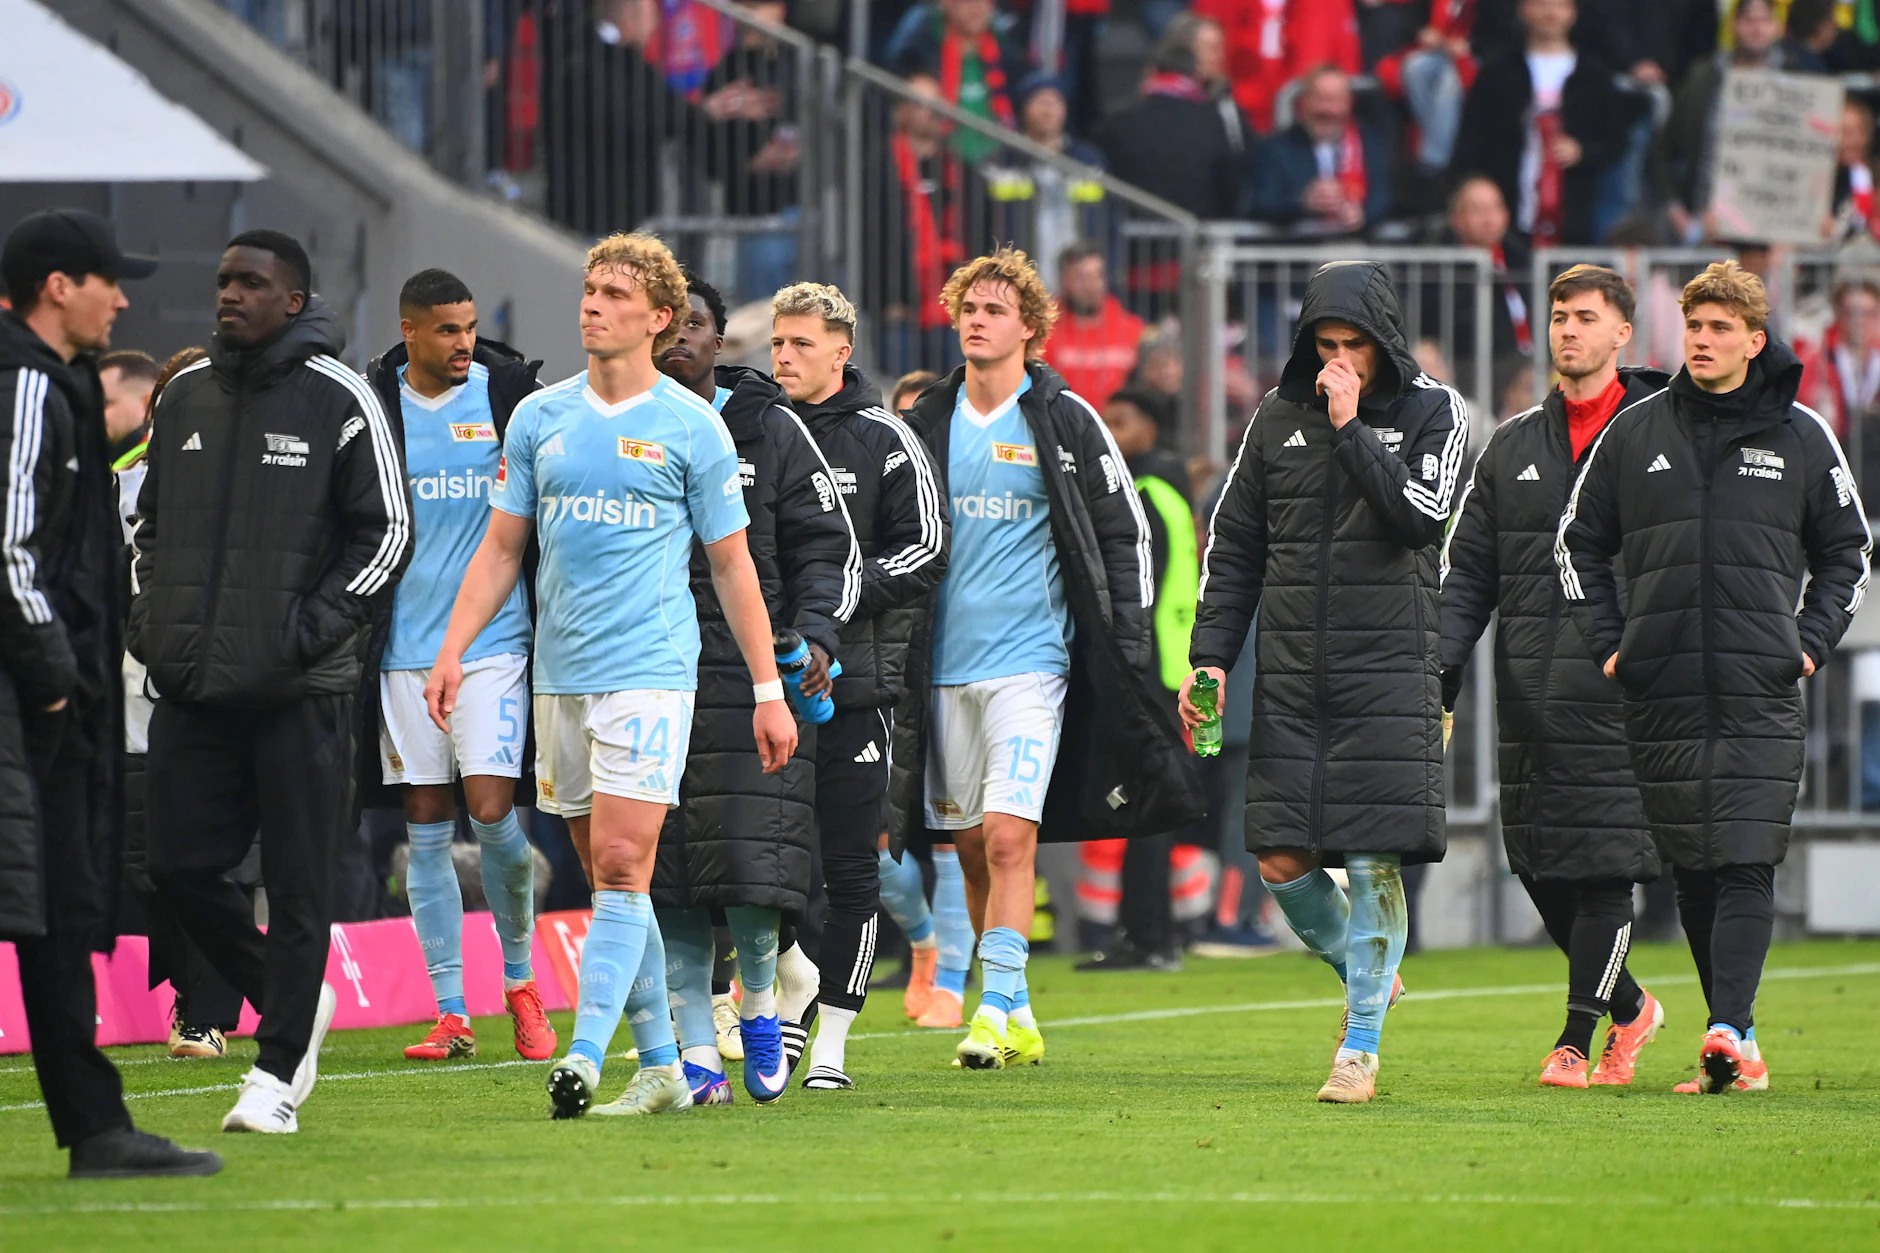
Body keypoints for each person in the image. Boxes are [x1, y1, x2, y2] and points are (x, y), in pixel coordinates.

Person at [428, 233, 796, 1119]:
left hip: (651, 673)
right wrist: (452, 648)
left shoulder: (690, 424)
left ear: (658, 318)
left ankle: (586, 1056)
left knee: (628, 865)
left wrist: (767, 688)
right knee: (604, 875)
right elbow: (503, 547)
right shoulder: (540, 418)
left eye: (614, 294)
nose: (591, 304)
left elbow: (735, 566)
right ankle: (665, 1064)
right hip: (561, 676)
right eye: (590, 289)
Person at [1557, 260, 1872, 1094]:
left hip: (1759, 687)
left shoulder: (1803, 435)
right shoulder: (1635, 432)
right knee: (1695, 865)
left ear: (1755, 340)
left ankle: (1726, 1026)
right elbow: (1576, 543)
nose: (1701, 338)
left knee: (1744, 858)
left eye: (1720, 327)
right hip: (1658, 690)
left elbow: (1849, 550)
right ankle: (1742, 1043)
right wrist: (1610, 642)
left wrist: (1808, 641)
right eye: (1694, 325)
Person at [135, 229, 411, 1135]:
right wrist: (153, 628)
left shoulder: (339, 397)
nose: (229, 294)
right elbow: (147, 530)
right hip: (193, 685)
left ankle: (277, 1077)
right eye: (222, 280)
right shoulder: (179, 395)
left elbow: (388, 536)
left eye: (251, 283)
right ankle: (290, 1001)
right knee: (175, 866)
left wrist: (308, 631)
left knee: (299, 888)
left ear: (294, 299)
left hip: (300, 690)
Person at [899, 246, 1202, 1070]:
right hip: (941, 668)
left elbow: (1124, 528)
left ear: (1030, 330)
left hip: (1032, 663)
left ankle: (992, 1007)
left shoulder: (1065, 416)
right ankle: (1019, 1004)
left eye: (994, 309)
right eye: (968, 307)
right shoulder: (928, 417)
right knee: (966, 844)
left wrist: (1128, 646)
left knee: (1005, 837)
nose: (976, 320)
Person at [1184, 260, 1465, 1104]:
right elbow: (1234, 545)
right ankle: (1367, 971)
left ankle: (1361, 1048)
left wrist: (1351, 429)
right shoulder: (1275, 418)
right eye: (1326, 345)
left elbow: (1421, 517)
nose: (1340, 361)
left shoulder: (1435, 412)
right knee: (1278, 857)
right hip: (1296, 676)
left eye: (1355, 346)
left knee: (1375, 859)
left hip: (1389, 672)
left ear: (1385, 343)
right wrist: (1209, 656)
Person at [0, 210, 220, 1177]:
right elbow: (9, 547)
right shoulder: (22, 382)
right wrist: (54, 680)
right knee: (43, 905)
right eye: (108, 280)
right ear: (60, 287)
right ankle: (96, 1127)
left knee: (53, 911)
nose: (122, 298)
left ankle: (97, 1128)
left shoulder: (54, 383)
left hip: (50, 705)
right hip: (26, 702)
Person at [1440, 265, 1668, 1088]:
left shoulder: (1663, 436)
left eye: (1585, 317)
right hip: (1528, 699)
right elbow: (1470, 571)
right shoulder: (1511, 445)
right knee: (1539, 865)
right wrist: (1443, 669)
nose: (1567, 329)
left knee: (1603, 866)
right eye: (1559, 316)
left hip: (1622, 692)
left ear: (1621, 335)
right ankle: (1635, 1005)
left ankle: (1576, 1040)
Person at [647, 271, 859, 1105]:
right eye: (670, 323)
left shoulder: (768, 427)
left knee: (749, 861)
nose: (681, 337)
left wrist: (814, 633)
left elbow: (822, 545)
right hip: (651, 662)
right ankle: (697, 1048)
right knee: (666, 872)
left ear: (717, 336)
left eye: (696, 323)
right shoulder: (622, 424)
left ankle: (763, 1003)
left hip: (750, 666)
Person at [358, 269, 555, 1063]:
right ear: (409, 330)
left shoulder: (506, 401)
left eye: (469, 326)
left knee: (492, 813)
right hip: (404, 649)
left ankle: (519, 981)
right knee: (425, 825)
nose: (463, 342)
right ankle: (450, 1011)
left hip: (495, 644)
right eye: (446, 329)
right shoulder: (377, 409)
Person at [770, 281, 951, 1087]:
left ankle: (833, 1041)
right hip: (765, 690)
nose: (783, 356)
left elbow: (927, 550)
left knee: (851, 870)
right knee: (765, 867)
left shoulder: (886, 437)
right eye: (777, 342)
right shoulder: (755, 432)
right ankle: (769, 998)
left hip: (858, 690)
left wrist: (836, 599)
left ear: (842, 351)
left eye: (801, 344)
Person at [107, 348, 247, 1061]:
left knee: (216, 858)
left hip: (222, 696)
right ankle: (203, 993)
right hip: (134, 701)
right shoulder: (119, 486)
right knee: (156, 867)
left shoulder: (244, 489)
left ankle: (208, 1009)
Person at [1076, 387, 1197, 971]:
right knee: (1150, 806)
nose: (1112, 435)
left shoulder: (1144, 495)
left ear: (1150, 429)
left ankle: (1149, 938)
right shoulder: (1172, 489)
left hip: (1153, 674)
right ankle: (1152, 935)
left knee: (1146, 808)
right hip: (1174, 670)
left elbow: (1137, 593)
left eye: (1121, 422)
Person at [1451, 0, 1633, 249]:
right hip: (1508, 217)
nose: (1550, 12)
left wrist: (1582, 150)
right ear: (1523, 9)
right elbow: (1472, 136)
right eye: (1541, 3)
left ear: (1573, 12)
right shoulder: (1498, 72)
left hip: (1574, 217)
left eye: (1560, 5)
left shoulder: (1595, 76)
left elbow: (1617, 139)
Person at [1656, 0, 1794, 246]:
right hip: (1708, 226)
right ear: (1733, 25)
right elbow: (1667, 148)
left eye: (1764, 20)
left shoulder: (1797, 80)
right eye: (1749, 20)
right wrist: (1678, 212)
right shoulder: (1703, 79)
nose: (1756, 28)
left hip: (1775, 233)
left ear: (1777, 27)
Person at [1093, 23, 1246, 222]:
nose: (1219, 57)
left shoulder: (1116, 121)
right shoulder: (1215, 121)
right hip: (1198, 234)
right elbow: (1232, 185)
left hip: (1134, 236)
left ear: (1152, 71)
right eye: (1210, 48)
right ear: (1192, 65)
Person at [1248, 66, 1394, 236]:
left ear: (1349, 103)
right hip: (1299, 255)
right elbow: (1262, 204)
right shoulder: (1276, 148)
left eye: (1336, 100)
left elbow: (1384, 197)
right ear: (1304, 102)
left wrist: (1363, 214)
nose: (1327, 110)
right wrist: (1303, 202)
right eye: (1320, 98)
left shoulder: (1370, 144)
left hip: (1357, 251)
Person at [1191, 0, 1361, 133]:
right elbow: (1199, 63)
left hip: (1306, 135)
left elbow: (1345, 72)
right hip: (1231, 124)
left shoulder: (1328, 5)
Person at [1045, 244, 1145, 413]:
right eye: (1081, 277)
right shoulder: (1042, 330)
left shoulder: (1133, 329)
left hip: (1118, 432)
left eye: (1098, 276)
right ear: (1063, 280)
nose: (1091, 286)